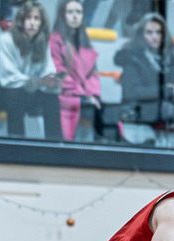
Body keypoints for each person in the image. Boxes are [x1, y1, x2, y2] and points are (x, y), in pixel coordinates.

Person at [0, 0, 63, 140]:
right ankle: (17, 145)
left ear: (42, 23)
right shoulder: (7, 40)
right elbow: (8, 79)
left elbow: (48, 73)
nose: (32, 22)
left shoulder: (43, 44)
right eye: (28, 18)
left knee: (51, 99)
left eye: (36, 19)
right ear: (21, 20)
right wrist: (39, 82)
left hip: (21, 88)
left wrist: (53, 83)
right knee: (15, 94)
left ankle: (56, 147)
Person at [114, 13, 174, 132]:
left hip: (163, 105)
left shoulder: (168, 57)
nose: (155, 36)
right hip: (141, 107)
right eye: (149, 32)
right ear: (141, 35)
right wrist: (166, 91)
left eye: (158, 32)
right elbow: (132, 93)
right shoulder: (133, 59)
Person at [49, 0, 102, 142]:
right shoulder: (54, 41)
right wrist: (84, 95)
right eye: (70, 12)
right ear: (62, 15)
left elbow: (92, 75)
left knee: (107, 116)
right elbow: (59, 72)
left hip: (82, 98)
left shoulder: (85, 42)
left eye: (78, 12)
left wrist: (93, 95)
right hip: (63, 98)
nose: (75, 16)